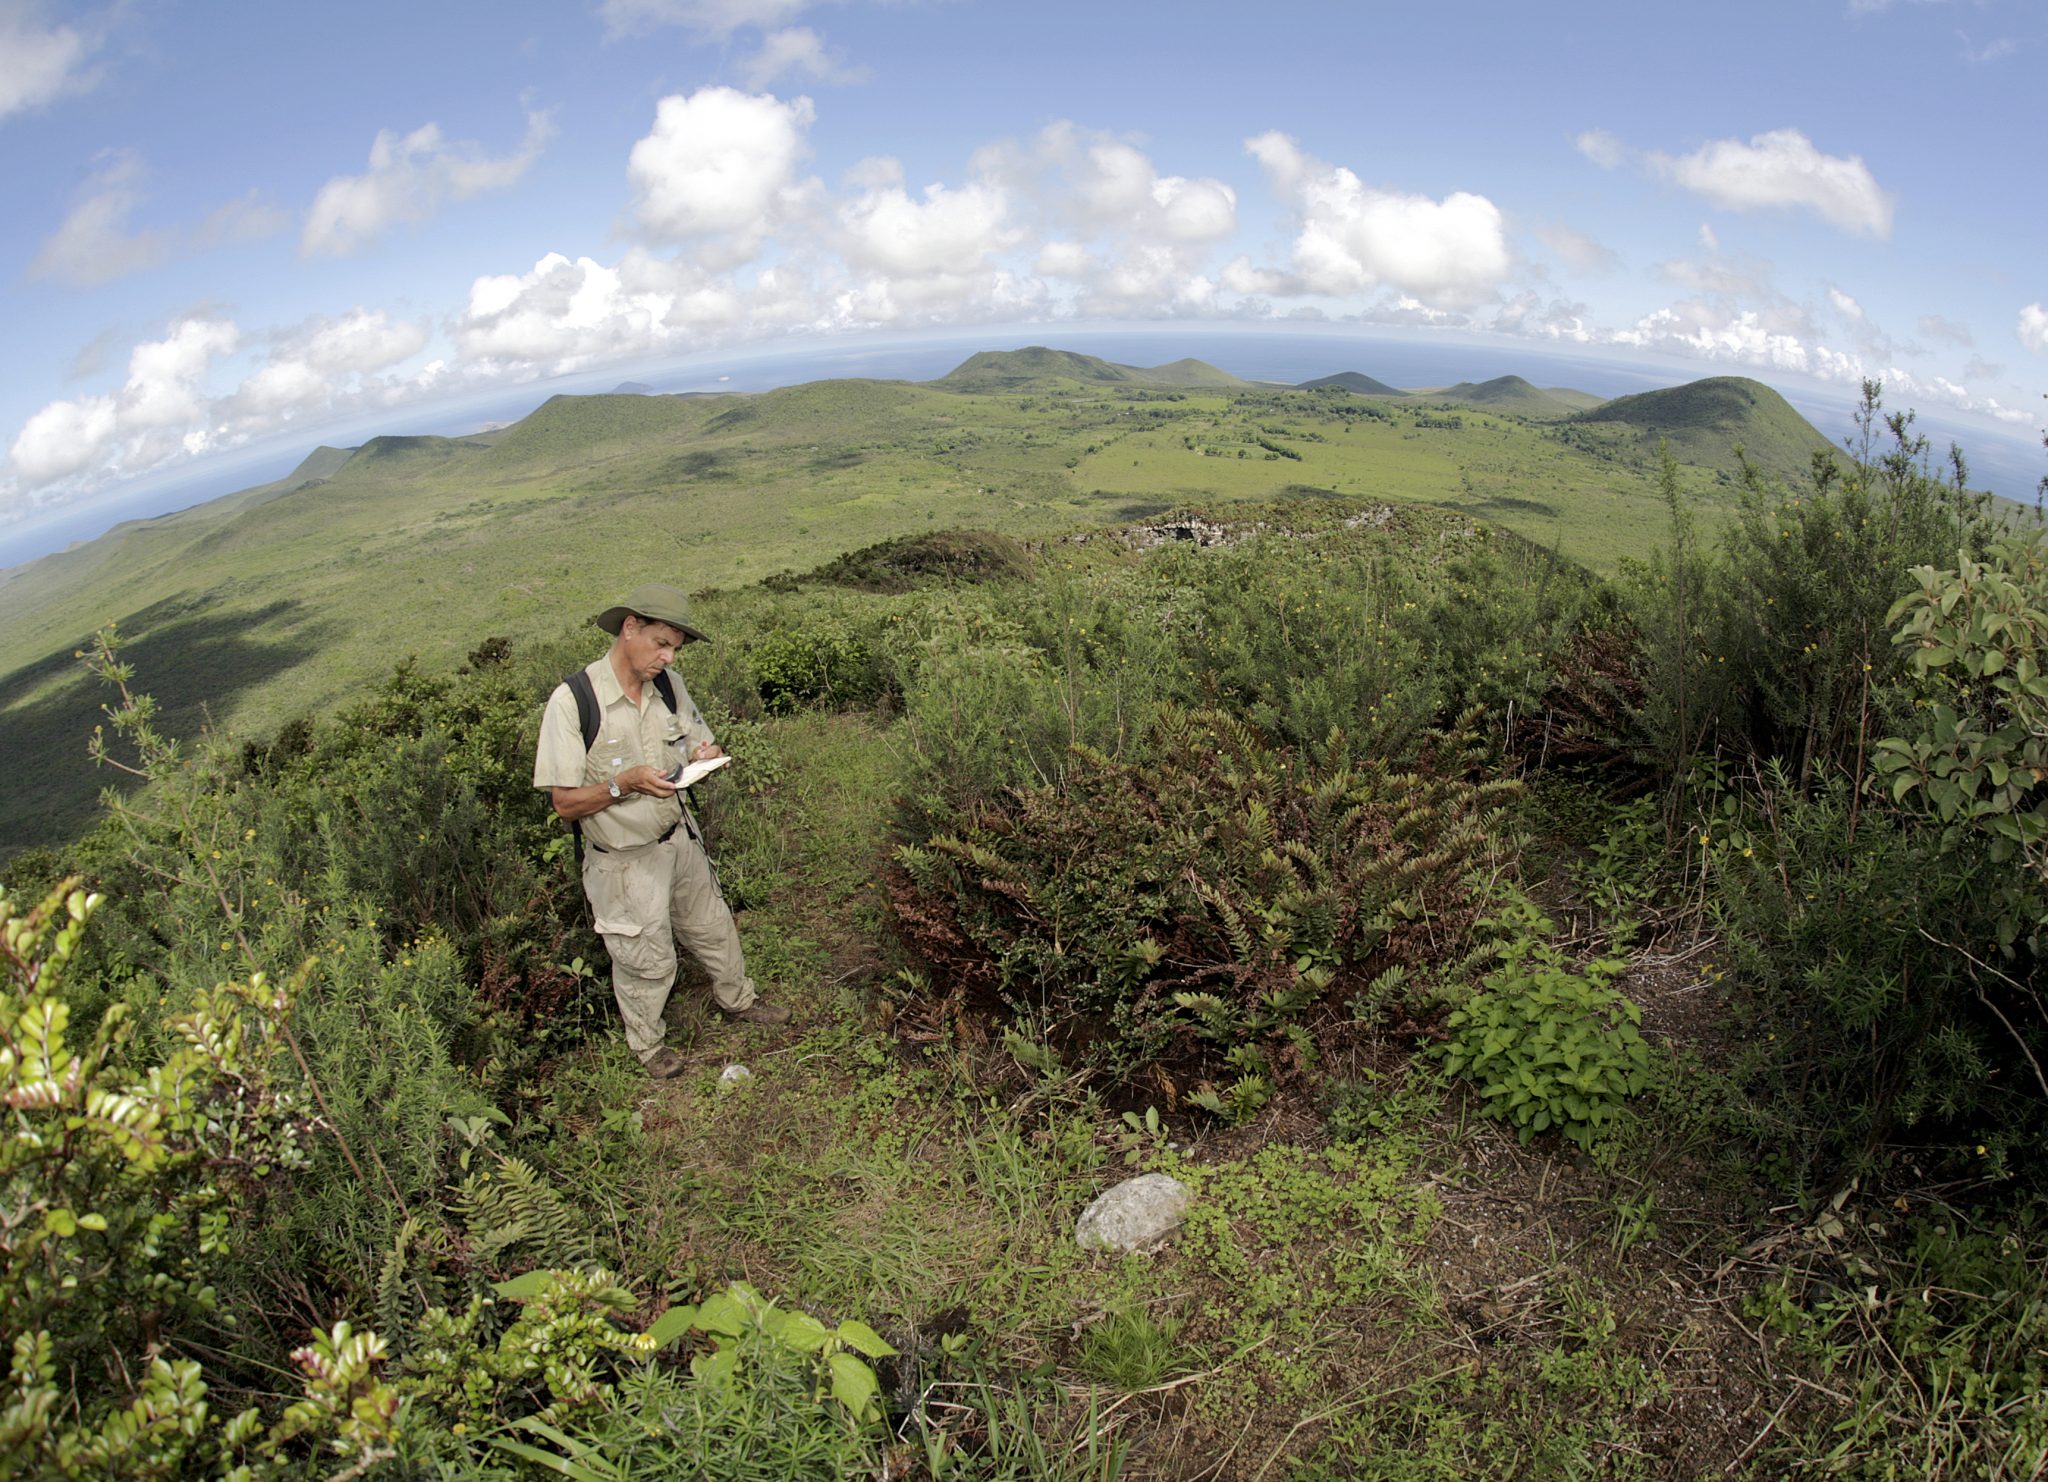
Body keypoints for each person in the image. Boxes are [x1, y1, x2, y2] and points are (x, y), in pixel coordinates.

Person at [533, 582, 788, 1079]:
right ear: (630, 629)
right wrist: (620, 785)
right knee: (644, 958)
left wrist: (703, 756)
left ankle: (738, 1000)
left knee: (713, 927)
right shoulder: (574, 702)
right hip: (623, 860)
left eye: (676, 648)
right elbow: (563, 802)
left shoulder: (668, 688)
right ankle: (649, 1046)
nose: (670, 658)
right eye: (662, 644)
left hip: (679, 840)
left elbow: (698, 740)